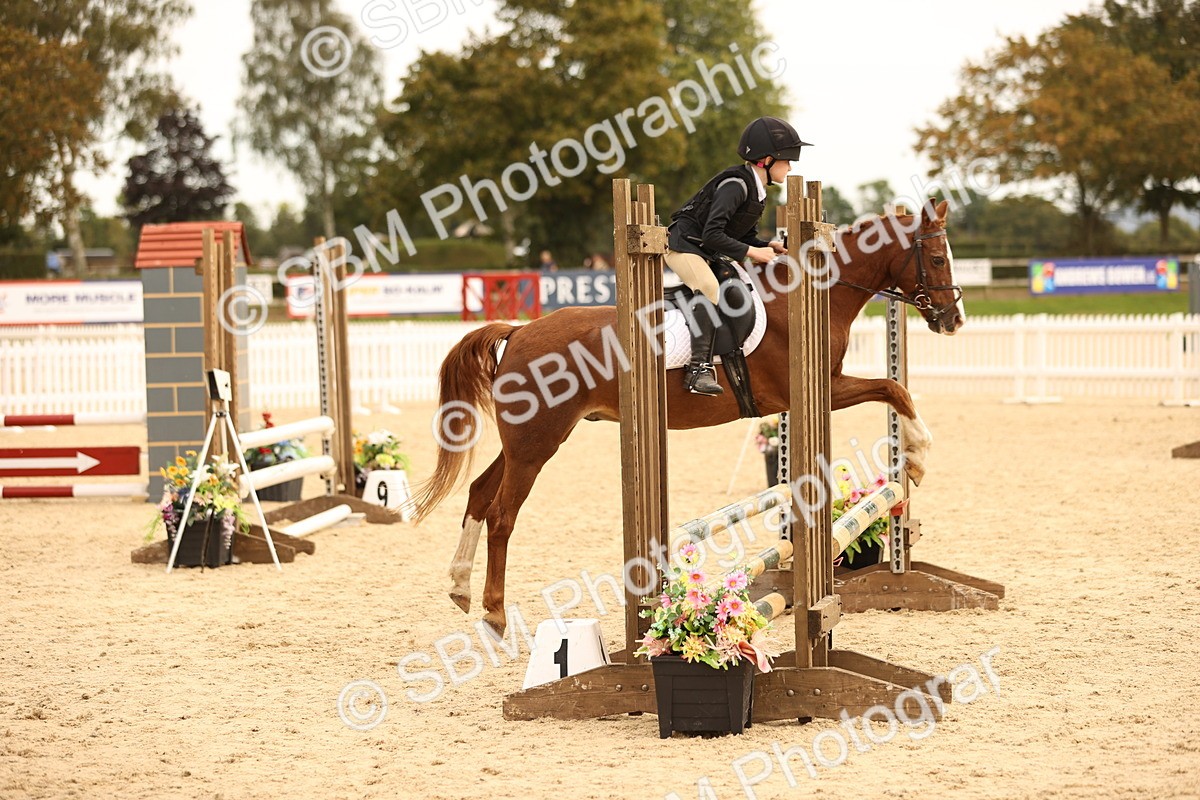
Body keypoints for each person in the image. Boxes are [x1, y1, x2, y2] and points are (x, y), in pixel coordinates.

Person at [665, 116, 808, 396]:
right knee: (707, 288)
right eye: (787, 160)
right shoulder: (736, 185)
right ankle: (698, 369)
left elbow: (741, 236)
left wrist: (769, 245)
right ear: (766, 160)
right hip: (683, 246)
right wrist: (754, 252)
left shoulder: (757, 190)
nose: (790, 167)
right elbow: (712, 235)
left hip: (703, 249)